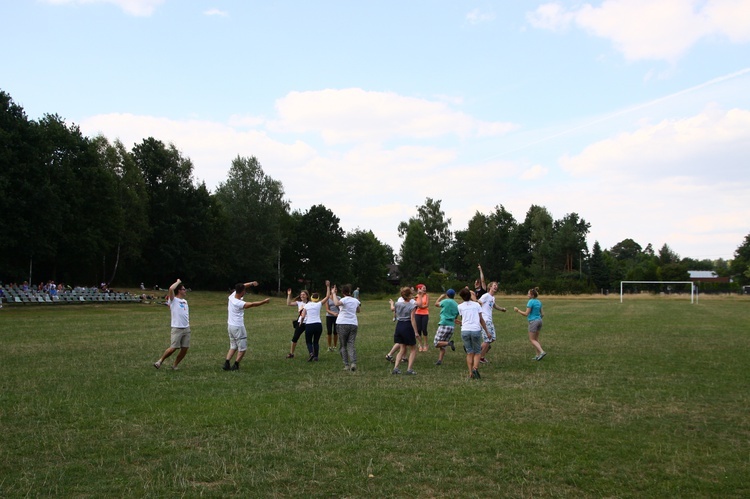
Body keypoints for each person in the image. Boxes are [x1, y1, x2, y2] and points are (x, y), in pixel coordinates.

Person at [223, 281, 270, 371]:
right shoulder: (238, 303)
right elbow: (252, 304)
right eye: (244, 291)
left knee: (233, 345)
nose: (245, 292)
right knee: (242, 348)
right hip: (238, 327)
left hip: (230, 326)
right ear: (242, 292)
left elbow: (243, 285)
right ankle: (236, 365)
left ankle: (227, 363)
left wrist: (252, 283)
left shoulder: (231, 297)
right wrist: (264, 301)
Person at [153, 279, 190, 370]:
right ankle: (160, 361)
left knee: (185, 349)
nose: (185, 291)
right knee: (173, 348)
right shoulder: (173, 300)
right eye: (183, 289)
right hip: (177, 328)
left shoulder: (185, 301)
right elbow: (170, 288)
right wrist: (178, 282)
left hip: (186, 328)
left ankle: (174, 365)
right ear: (179, 291)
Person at [457, 287, 490, 380]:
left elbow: (463, 318)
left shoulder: (460, 306)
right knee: (477, 352)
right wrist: (487, 332)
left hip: (465, 330)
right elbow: (481, 320)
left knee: (469, 352)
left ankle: (470, 372)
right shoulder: (477, 305)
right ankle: (475, 368)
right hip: (475, 330)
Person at [389, 287, 419, 375]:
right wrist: (416, 332)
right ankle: (409, 369)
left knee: (402, 348)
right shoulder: (412, 306)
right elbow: (413, 319)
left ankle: (396, 368)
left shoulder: (398, 304)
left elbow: (393, 309)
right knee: (413, 349)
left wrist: (391, 303)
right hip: (407, 326)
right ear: (409, 295)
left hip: (399, 326)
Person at [332, 283, 361, 371]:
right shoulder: (355, 300)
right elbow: (358, 310)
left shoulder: (344, 300)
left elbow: (336, 303)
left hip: (342, 323)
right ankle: (353, 363)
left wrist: (333, 293)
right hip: (353, 324)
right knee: (351, 344)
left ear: (343, 292)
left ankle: (346, 364)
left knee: (343, 345)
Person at [300, 281, 331, 362]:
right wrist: (328, 286)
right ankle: (316, 357)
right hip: (318, 325)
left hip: (309, 325)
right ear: (317, 299)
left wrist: (300, 323)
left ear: (311, 298)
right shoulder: (319, 304)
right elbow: (327, 296)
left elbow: (303, 316)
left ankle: (311, 353)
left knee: (308, 341)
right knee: (316, 341)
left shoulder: (306, 305)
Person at [478, 281, 507, 365]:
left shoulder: (492, 297)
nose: (496, 287)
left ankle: (477, 351)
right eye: (494, 285)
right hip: (485, 319)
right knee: (488, 339)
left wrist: (501, 309)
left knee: (493, 338)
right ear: (490, 287)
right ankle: (481, 357)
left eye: (497, 286)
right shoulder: (486, 296)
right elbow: (479, 302)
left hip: (489, 320)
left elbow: (494, 305)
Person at [514, 288, 546, 361]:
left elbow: (526, 314)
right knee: (536, 339)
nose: (527, 295)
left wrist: (517, 310)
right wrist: (538, 318)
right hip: (539, 321)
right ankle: (537, 355)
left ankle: (542, 352)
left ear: (531, 295)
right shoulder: (539, 302)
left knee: (532, 339)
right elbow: (542, 314)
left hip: (533, 321)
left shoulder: (530, 302)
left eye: (528, 294)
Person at [433, 289, 459, 365]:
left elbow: (436, 304)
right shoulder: (456, 305)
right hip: (451, 326)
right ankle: (439, 361)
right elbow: (455, 317)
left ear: (447, 295)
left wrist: (441, 297)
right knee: (443, 345)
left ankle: (449, 343)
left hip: (444, 324)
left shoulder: (445, 301)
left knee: (436, 343)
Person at [285, 288, 310, 358]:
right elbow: (288, 303)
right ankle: (291, 353)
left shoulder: (311, 303)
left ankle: (311, 353)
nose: (302, 296)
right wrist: (289, 295)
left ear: (307, 296)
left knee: (309, 339)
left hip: (309, 323)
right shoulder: (299, 303)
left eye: (304, 295)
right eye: (301, 295)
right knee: (295, 338)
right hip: (300, 323)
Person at [415, 284, 430, 352]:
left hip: (425, 314)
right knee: (418, 330)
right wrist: (420, 306)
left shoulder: (427, 296)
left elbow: (427, 305)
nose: (425, 289)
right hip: (417, 314)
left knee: (424, 329)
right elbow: (415, 305)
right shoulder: (416, 296)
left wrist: (420, 306)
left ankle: (426, 344)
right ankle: (420, 344)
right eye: (423, 288)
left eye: (425, 288)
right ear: (419, 289)